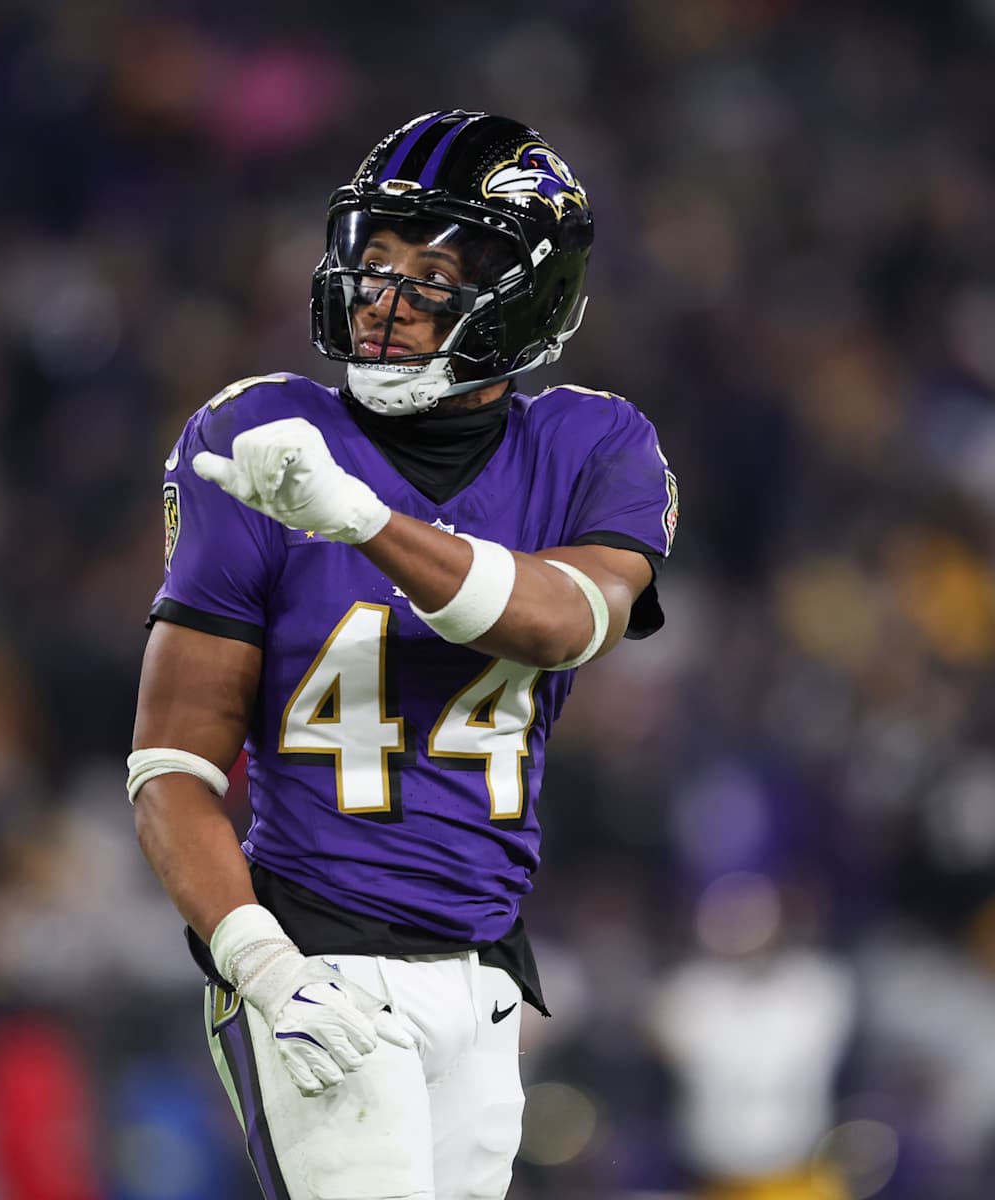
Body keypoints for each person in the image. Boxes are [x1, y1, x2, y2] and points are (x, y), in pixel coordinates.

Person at [130, 109, 679, 1200]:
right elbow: (171, 769)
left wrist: (362, 520)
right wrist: (263, 968)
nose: (384, 298)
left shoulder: (593, 443)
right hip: (316, 955)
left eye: (432, 271)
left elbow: (564, 621)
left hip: (481, 972)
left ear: (526, 296)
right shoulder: (260, 436)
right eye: (372, 262)